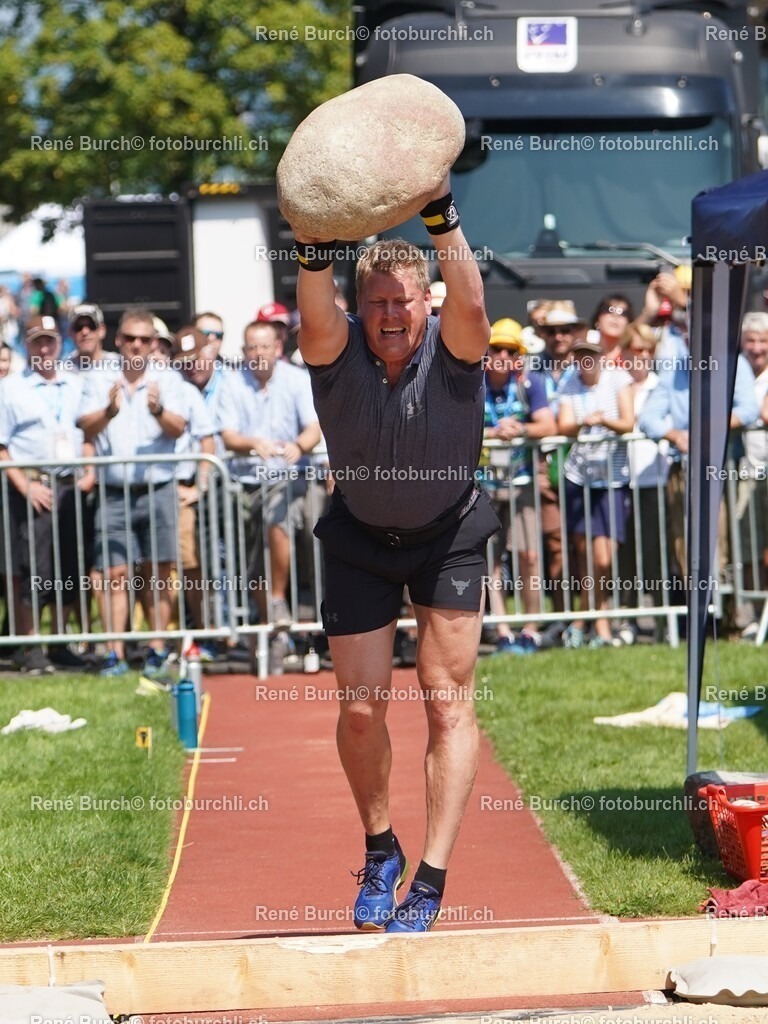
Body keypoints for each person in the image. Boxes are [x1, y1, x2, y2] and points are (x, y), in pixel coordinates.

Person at [291, 175, 499, 933]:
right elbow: (315, 308)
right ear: (360, 306)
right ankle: (381, 848)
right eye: (376, 301)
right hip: (360, 538)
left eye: (402, 302)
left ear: (424, 304)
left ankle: (432, 878)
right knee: (359, 709)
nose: (389, 314)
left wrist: (441, 214)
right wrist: (313, 241)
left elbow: (472, 303)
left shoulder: (455, 344)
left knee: (447, 701)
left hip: (449, 535)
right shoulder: (333, 348)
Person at [77, 307, 189, 677]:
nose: (137, 345)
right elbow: (85, 426)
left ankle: (156, 649)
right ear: (118, 340)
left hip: (158, 488)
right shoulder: (99, 377)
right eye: (130, 338)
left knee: (158, 571)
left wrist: (158, 410)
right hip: (114, 491)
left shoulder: (167, 378)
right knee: (115, 572)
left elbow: (179, 427)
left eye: (144, 339)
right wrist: (109, 411)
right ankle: (115, 653)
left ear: (154, 342)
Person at [0, 316, 96, 673]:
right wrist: (25, 486)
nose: (44, 348)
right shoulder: (11, 388)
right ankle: (30, 645)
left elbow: (89, 432)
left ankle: (58, 641)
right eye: (37, 342)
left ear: (59, 343)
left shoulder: (76, 383)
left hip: (70, 485)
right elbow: (1, 447)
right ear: (26, 345)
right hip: (34, 487)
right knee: (34, 569)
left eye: (49, 341)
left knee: (69, 566)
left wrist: (90, 470)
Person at [216, 319, 321, 636]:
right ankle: (267, 623)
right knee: (251, 556)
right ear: (244, 351)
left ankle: (281, 602)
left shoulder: (297, 379)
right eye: (252, 347)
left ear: (277, 348)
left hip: (290, 477)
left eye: (265, 346)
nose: (259, 353)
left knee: (281, 519)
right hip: (245, 482)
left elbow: (313, 429)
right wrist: (253, 443)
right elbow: (228, 436)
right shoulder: (231, 383)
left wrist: (298, 446)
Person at [482, 318, 556, 654]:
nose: (502, 356)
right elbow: (457, 429)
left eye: (510, 351)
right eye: (496, 348)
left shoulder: (530, 383)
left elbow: (549, 425)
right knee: (491, 560)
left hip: (522, 483)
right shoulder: (473, 383)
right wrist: (492, 433)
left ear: (518, 357)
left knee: (529, 556)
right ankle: (503, 631)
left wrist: (522, 429)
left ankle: (530, 629)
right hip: (483, 484)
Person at [557, 335, 635, 647]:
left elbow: (628, 423)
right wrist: (582, 422)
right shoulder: (568, 383)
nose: (585, 360)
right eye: (580, 354)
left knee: (603, 558)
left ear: (601, 355)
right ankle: (600, 626)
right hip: (579, 477)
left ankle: (581, 620)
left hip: (613, 479)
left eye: (590, 353)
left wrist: (603, 420)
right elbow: (563, 426)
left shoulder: (619, 378)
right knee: (585, 555)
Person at [590, 294, 634, 366]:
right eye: (608, 310)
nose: (615, 315)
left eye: (623, 313)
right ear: (597, 321)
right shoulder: (584, 355)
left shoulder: (632, 360)